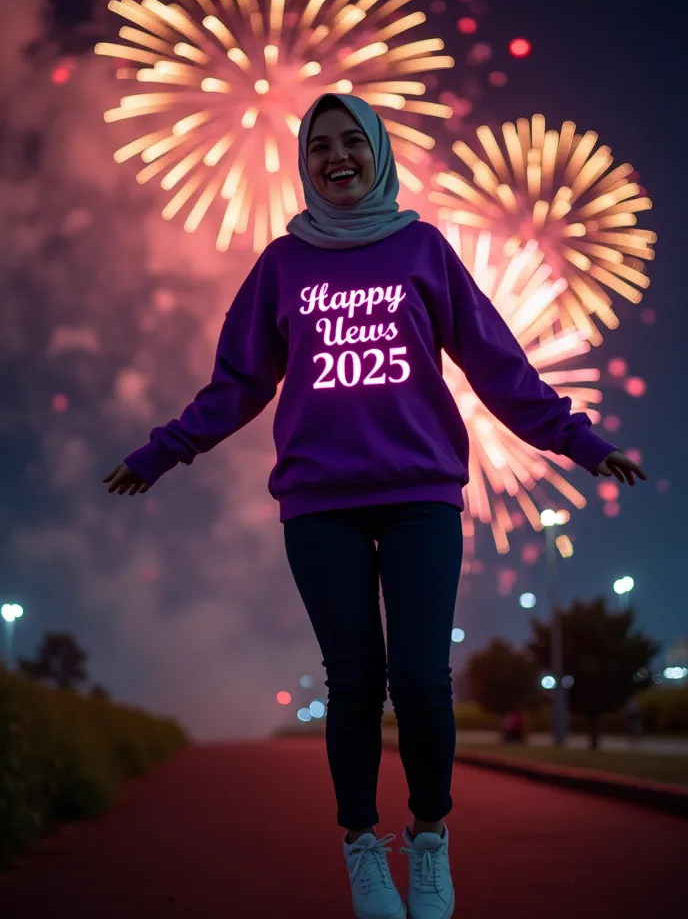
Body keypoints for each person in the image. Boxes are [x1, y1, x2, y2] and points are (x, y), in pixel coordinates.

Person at [103, 94, 646, 919]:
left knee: (422, 681)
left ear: (380, 152)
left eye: (352, 140)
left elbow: (499, 367)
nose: (337, 156)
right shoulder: (282, 266)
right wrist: (164, 449)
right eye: (320, 146)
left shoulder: (423, 250)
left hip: (420, 496)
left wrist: (579, 441)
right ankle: (362, 847)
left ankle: (428, 838)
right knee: (354, 683)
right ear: (305, 163)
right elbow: (239, 384)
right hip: (319, 504)